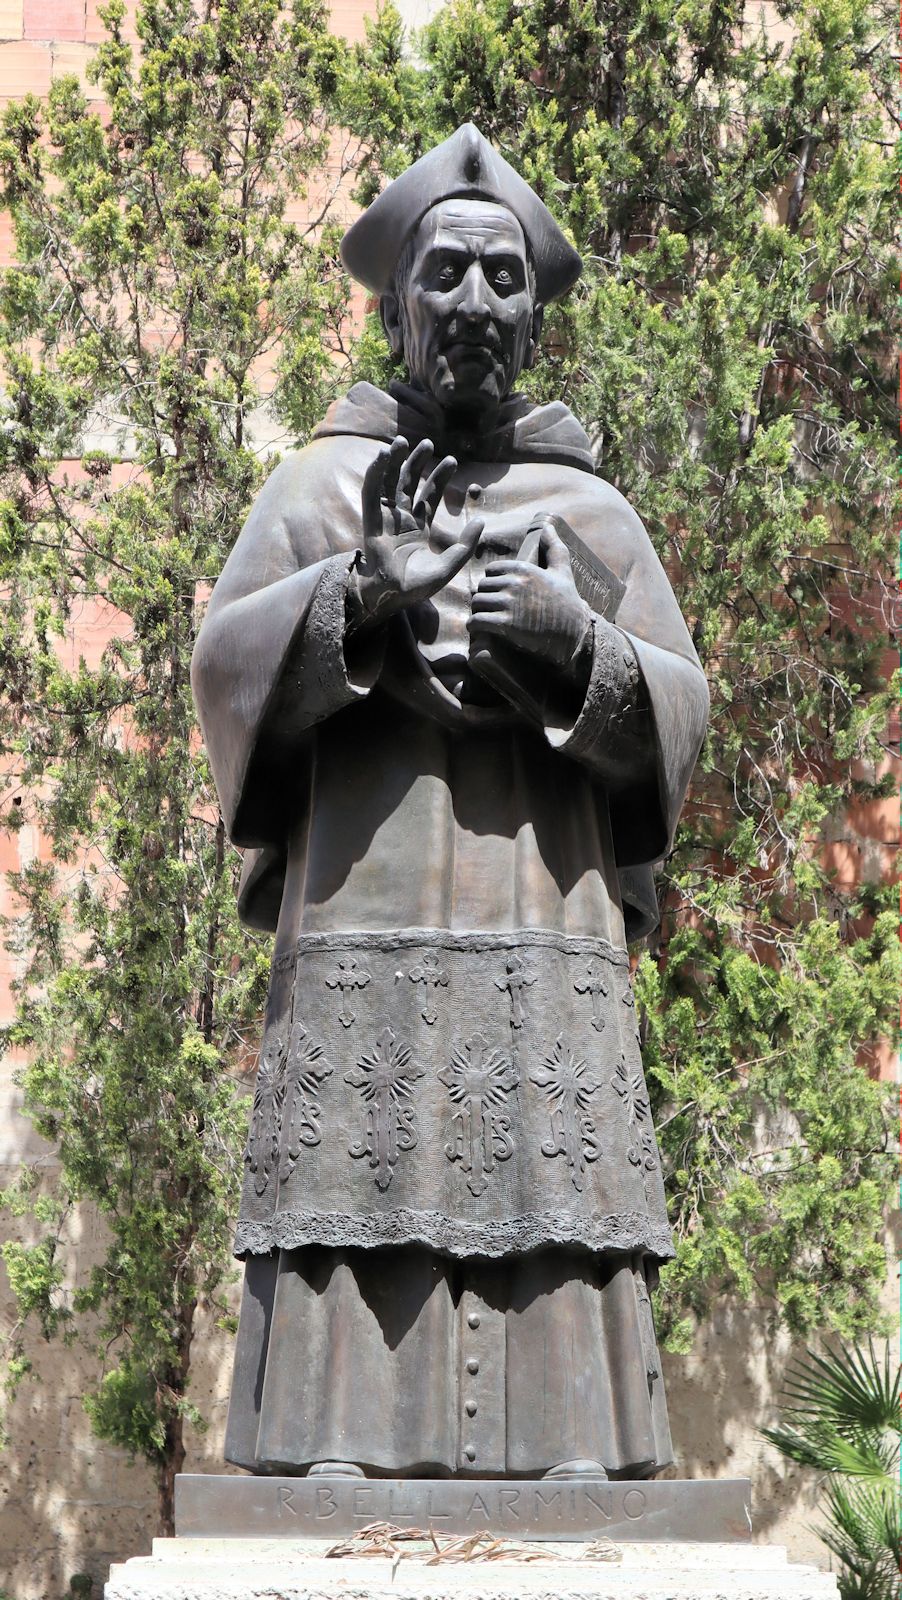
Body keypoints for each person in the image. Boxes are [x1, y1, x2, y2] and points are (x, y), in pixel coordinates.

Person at [191, 124, 709, 1482]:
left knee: (552, 1164)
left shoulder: (587, 509)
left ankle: (576, 1456)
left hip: (543, 912)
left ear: (532, 315)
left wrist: (569, 633)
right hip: (368, 890)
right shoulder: (320, 487)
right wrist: (359, 591)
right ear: (396, 304)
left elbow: (675, 703)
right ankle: (326, 1450)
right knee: (351, 1165)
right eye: (448, 275)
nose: (474, 303)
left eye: (500, 279)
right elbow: (224, 664)